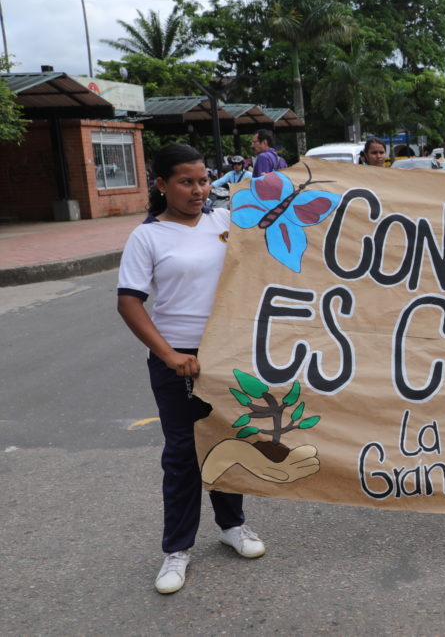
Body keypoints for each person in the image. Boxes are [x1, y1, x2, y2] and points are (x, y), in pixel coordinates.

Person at [117, 144, 266, 595]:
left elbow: (280, 223)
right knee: (183, 454)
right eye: (186, 181)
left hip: (228, 353)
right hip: (178, 359)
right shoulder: (148, 236)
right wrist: (169, 355)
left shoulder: (224, 222)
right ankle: (177, 549)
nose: (199, 190)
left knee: (232, 438)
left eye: (203, 180)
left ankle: (231, 525)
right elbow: (129, 301)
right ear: (161, 185)